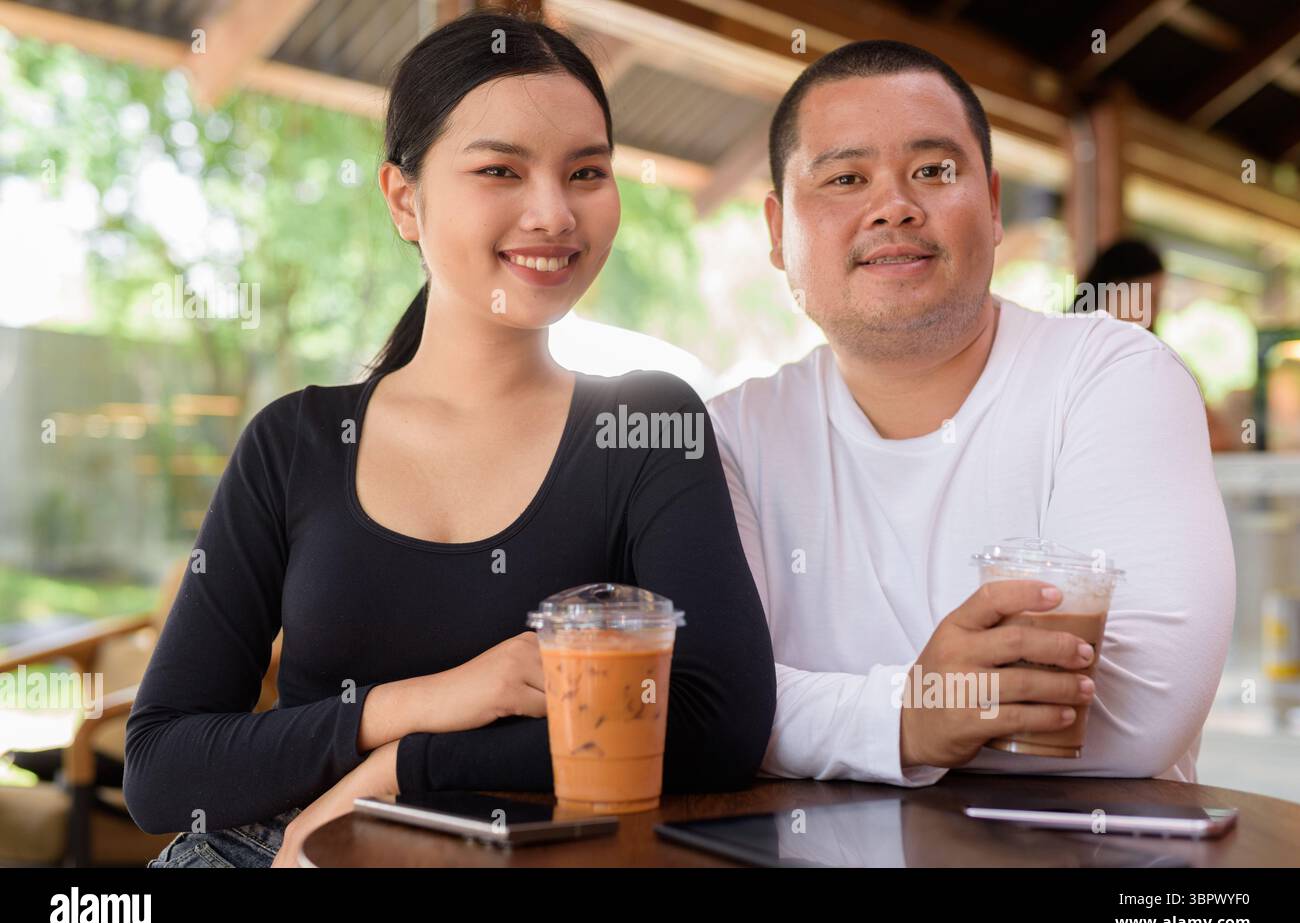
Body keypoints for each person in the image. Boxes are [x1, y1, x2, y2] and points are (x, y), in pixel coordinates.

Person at [126, 9, 775, 868]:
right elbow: (160, 771)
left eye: (585, 171)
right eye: (501, 169)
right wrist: (415, 704)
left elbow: (712, 722)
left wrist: (401, 768)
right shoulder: (296, 442)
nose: (553, 212)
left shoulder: (645, 427)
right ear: (405, 199)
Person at [707, 40, 1235, 788]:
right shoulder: (729, 434)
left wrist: (832, 717)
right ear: (776, 231)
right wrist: (911, 714)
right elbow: (709, 705)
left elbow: (1139, 712)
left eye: (932, 170)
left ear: (990, 205)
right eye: (846, 177)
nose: (893, 205)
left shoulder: (1111, 377)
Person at [1074, 238, 1237, 450]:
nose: (1155, 312)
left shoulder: (1152, 361)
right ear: (1113, 291)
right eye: (1150, 298)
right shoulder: (1078, 360)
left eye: (1157, 300)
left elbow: (1218, 438)